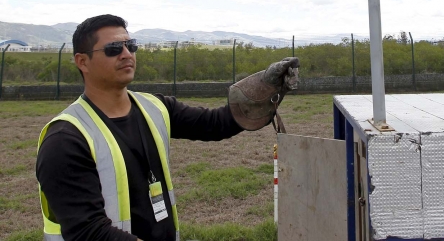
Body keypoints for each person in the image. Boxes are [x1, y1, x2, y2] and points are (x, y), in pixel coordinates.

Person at [36, 14, 299, 241]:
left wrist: (265, 88)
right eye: (114, 49)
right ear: (82, 62)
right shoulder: (65, 139)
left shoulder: (155, 107)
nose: (127, 54)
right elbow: (88, 232)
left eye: (131, 46)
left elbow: (215, 124)